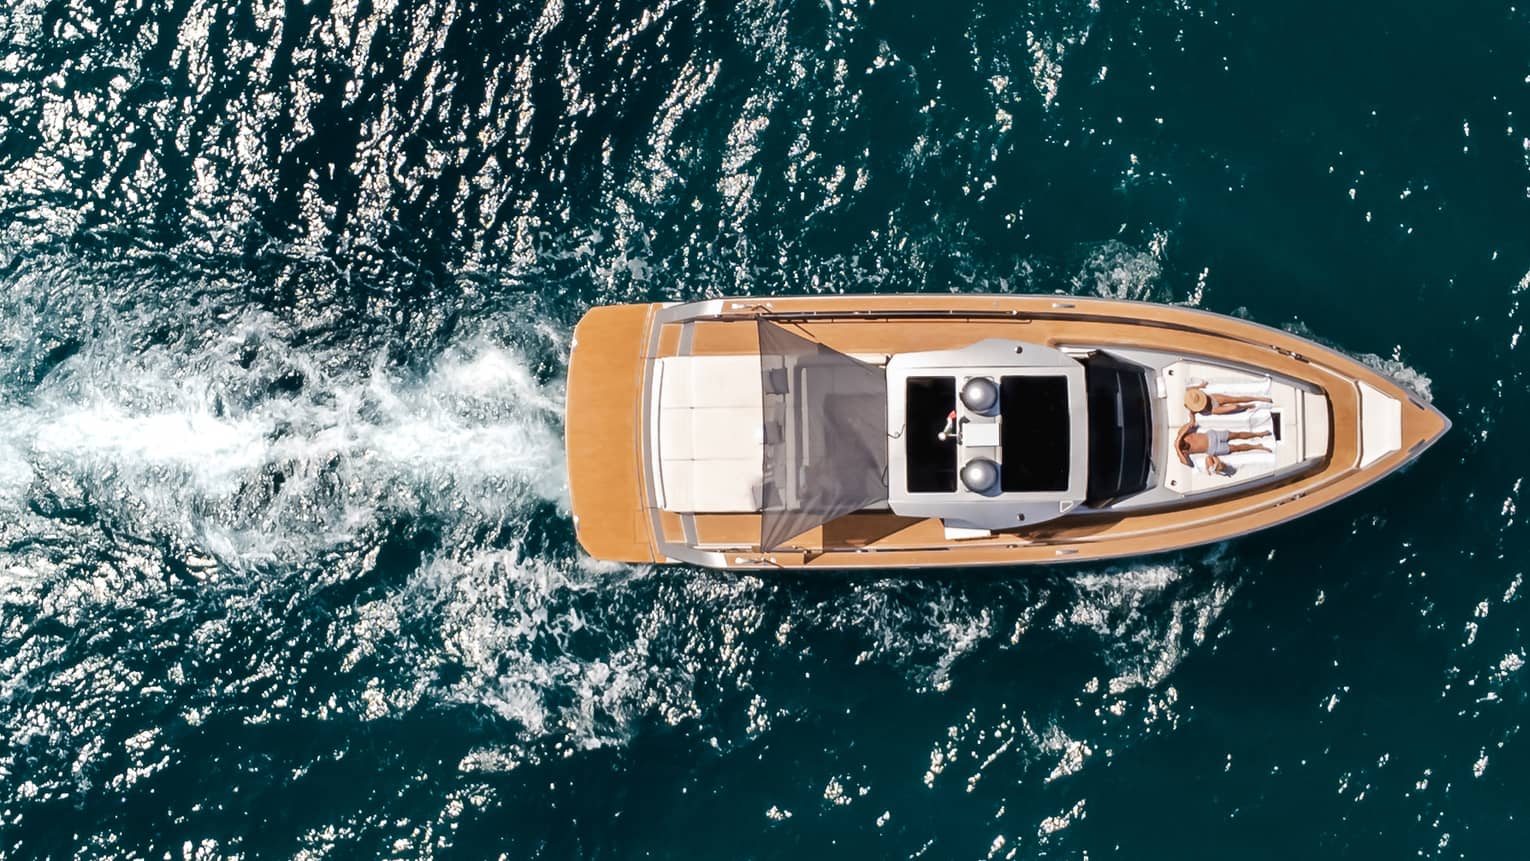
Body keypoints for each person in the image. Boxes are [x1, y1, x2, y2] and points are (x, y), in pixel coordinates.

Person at [1175, 420, 1271, 475]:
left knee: (1236, 435)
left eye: (1183, 443)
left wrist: (1179, 437)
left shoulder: (1181, 434)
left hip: (1212, 436)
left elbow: (1190, 424)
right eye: (1183, 446)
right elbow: (1187, 463)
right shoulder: (1182, 452)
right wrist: (1177, 447)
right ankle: (1257, 446)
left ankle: (1259, 434)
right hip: (1212, 449)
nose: (1186, 445)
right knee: (1236, 448)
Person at [1184, 383, 1272, 415]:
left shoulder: (1190, 393)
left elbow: (1188, 389)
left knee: (1236, 399)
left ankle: (1259, 398)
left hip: (1213, 398)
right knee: (1234, 407)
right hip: (1213, 409)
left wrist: (1200, 386)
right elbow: (1192, 415)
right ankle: (1247, 406)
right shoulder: (1193, 410)